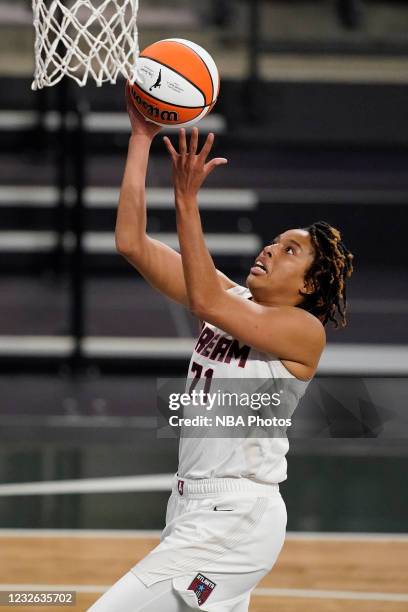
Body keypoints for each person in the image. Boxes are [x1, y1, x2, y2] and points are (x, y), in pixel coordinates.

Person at [88, 86, 354, 612]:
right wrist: (142, 137)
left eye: (290, 251)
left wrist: (186, 201)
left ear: (308, 287)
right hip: (190, 508)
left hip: (235, 519)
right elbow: (131, 242)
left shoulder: (303, 332)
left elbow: (206, 301)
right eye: (275, 242)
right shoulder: (232, 298)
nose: (271, 249)